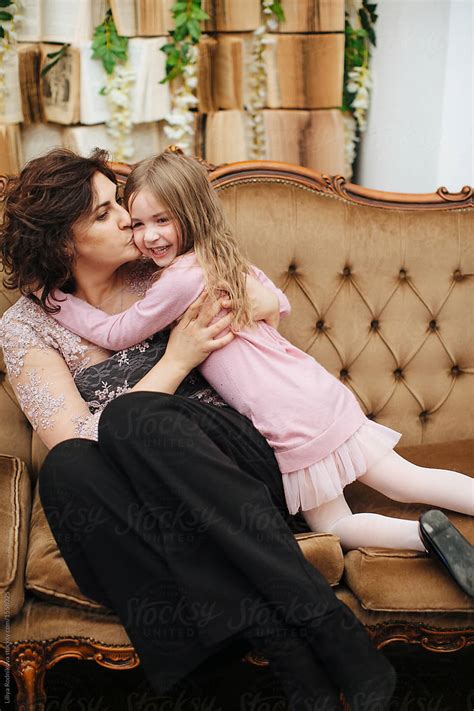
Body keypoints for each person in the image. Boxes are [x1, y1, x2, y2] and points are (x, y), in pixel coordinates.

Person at [0, 148, 398, 710]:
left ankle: (325, 626)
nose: (128, 222)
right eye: (105, 212)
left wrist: (250, 303)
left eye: (122, 205)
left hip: (237, 466)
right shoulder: (24, 327)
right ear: (65, 242)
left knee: (129, 417)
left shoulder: (165, 264)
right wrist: (174, 362)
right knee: (67, 469)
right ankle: (274, 653)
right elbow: (73, 440)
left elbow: (258, 296)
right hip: (150, 499)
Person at [47, 149, 474, 598]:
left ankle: (421, 536)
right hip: (310, 390)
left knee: (340, 523)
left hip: (286, 417)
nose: (149, 236)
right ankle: (433, 534)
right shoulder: (216, 256)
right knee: (406, 480)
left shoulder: (179, 279)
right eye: (137, 224)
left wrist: (58, 301)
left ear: (190, 214)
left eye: (162, 221)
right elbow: (278, 302)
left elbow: (117, 332)